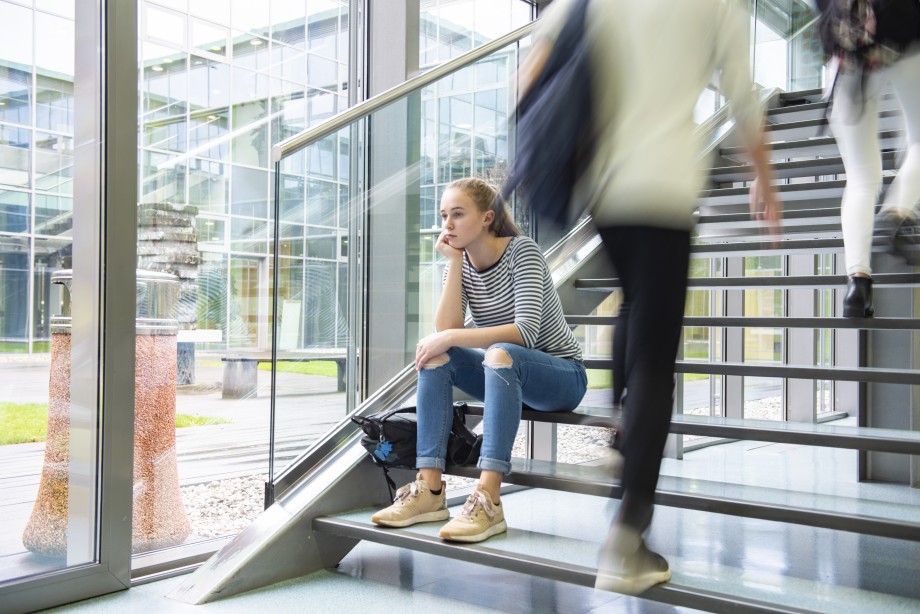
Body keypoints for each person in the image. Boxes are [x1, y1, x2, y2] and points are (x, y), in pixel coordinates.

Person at [530, 0, 782, 595]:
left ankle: (623, 431)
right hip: (665, 189)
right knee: (655, 358)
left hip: (604, 189)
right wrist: (764, 177)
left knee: (635, 304)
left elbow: (534, 69)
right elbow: (744, 96)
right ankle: (628, 536)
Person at [371, 177, 588, 543]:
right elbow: (447, 328)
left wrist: (452, 336)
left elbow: (525, 334)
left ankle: (488, 498)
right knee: (437, 353)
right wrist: (454, 263)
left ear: (487, 218)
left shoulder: (523, 252)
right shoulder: (460, 264)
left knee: (498, 351)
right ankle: (430, 489)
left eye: (458, 214)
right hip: (503, 371)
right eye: (443, 216)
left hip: (561, 377)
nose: (447, 225)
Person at [817, 3, 920, 317]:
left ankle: (857, 287)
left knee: (861, 179)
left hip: (845, 59)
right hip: (905, 41)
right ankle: (897, 212)